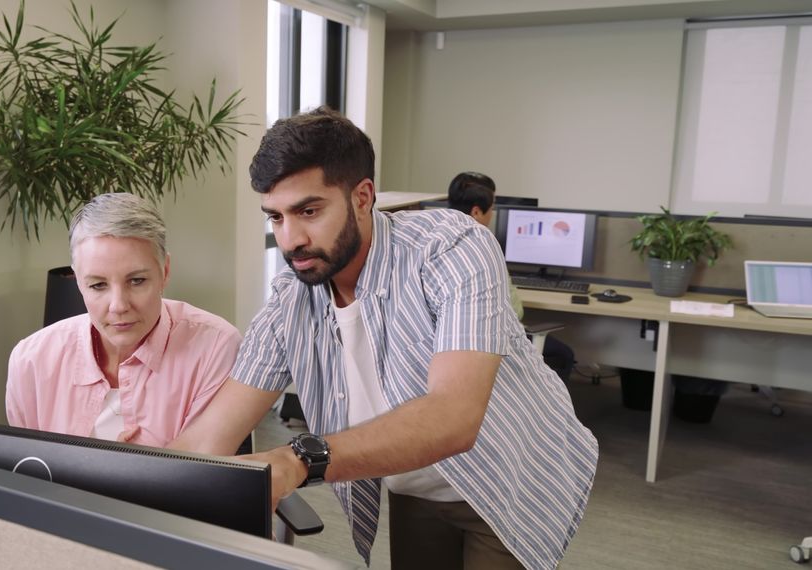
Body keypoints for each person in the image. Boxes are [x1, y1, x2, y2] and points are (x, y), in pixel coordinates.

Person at [170, 107, 597, 569]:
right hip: (414, 479)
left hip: (509, 474)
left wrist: (297, 460)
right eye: (275, 217)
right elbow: (209, 437)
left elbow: (453, 417)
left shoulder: (451, 247)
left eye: (309, 211)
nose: (290, 240)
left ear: (362, 197)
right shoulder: (291, 298)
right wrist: (136, 481)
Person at [6, 192, 241, 447]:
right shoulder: (31, 360)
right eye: (97, 285)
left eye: (137, 281)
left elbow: (205, 465)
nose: (118, 306)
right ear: (78, 281)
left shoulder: (215, 347)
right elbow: (28, 466)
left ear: (165, 271)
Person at [447, 171, 577, 382]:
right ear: (477, 212)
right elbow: (515, 312)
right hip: (491, 344)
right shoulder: (485, 250)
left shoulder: (436, 243)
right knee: (564, 355)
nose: (493, 213)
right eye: (493, 207)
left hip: (452, 347)